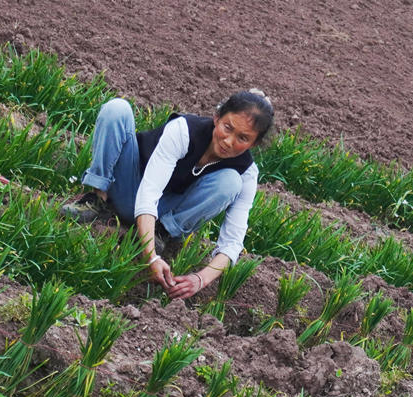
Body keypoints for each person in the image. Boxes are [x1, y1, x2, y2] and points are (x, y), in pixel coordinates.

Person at [61, 89, 274, 299]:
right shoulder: (183, 130)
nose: (229, 141)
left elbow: (233, 241)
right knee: (117, 109)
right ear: (217, 118)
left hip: (163, 214)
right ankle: (97, 198)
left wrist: (200, 279)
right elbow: (149, 191)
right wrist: (151, 257)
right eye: (227, 128)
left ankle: (161, 232)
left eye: (243, 138)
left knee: (230, 182)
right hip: (129, 185)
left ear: (254, 144)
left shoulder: (246, 172)